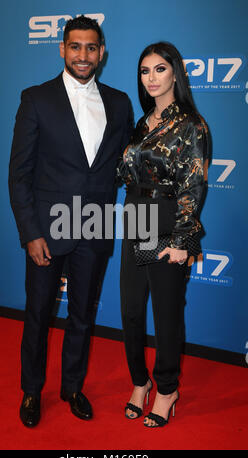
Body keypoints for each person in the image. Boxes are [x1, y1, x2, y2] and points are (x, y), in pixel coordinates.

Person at [9, 15, 133, 427]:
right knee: (38, 313)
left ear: (102, 52)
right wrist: (30, 232)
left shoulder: (119, 103)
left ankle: (72, 387)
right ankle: (31, 391)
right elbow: (19, 173)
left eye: (91, 47)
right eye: (75, 46)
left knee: (83, 313)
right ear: (62, 49)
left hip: (95, 226)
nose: (83, 55)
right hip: (47, 229)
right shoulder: (36, 99)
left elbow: (124, 167)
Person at [118, 42, 209, 428]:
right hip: (135, 216)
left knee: (166, 313)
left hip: (166, 221)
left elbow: (193, 187)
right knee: (132, 309)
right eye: (144, 71)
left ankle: (167, 389)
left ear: (175, 73)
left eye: (159, 69)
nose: (151, 78)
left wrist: (181, 241)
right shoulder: (142, 123)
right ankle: (140, 382)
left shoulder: (191, 125)